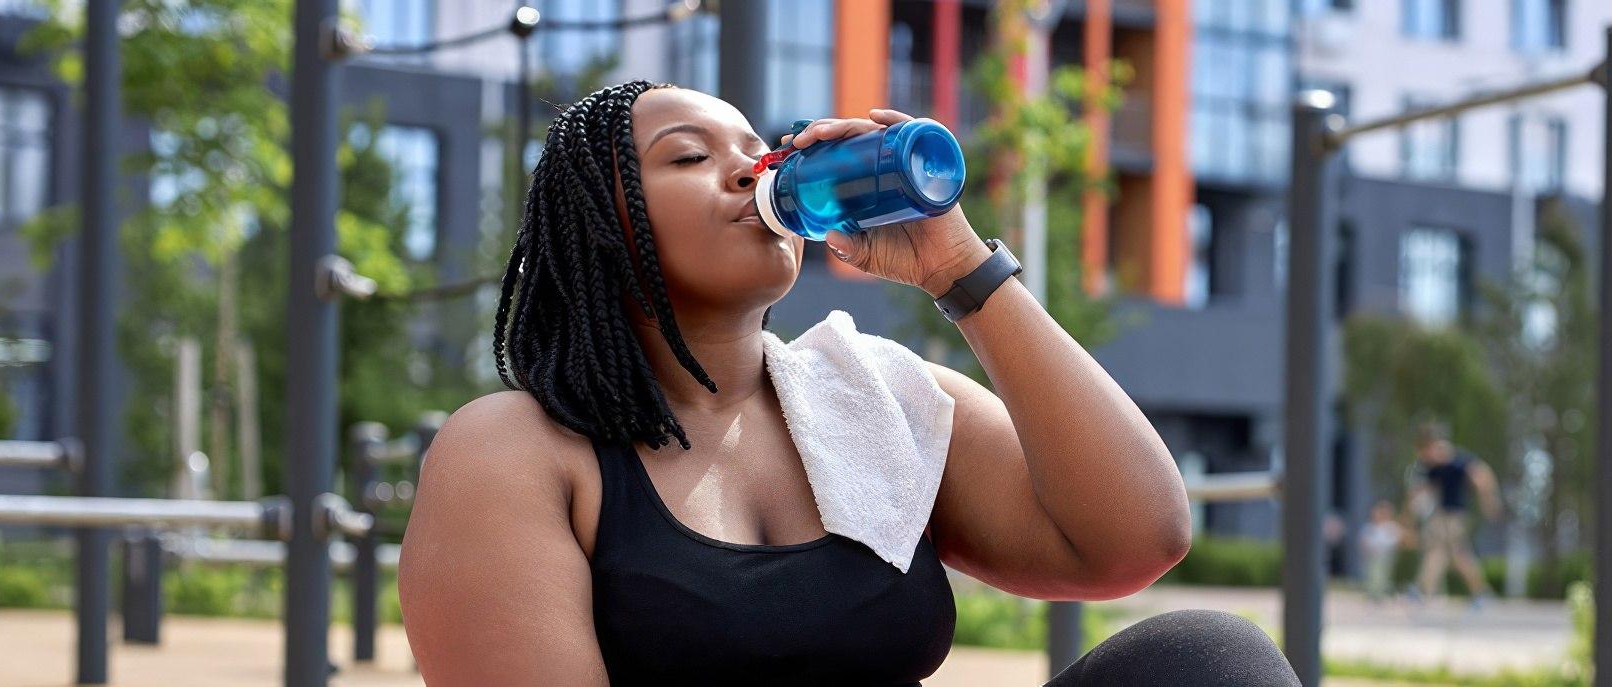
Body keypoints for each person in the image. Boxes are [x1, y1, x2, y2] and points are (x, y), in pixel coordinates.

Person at [396, 81, 1299, 686]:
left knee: (1209, 658)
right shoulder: (518, 448)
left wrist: (961, 269)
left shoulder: (874, 398)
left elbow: (1136, 538)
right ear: (602, 226)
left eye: (762, 149)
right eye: (687, 156)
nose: (756, 169)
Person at [1405, 422, 1503, 606]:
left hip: (1453, 516)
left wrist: (1488, 500)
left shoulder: (1457, 460)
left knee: (1439, 551)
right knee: (1457, 555)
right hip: (1443, 514)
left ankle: (1421, 591)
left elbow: (1481, 475)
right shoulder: (1434, 468)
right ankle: (1480, 592)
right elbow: (1423, 489)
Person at [1357, 499, 1406, 605]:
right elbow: (1363, 541)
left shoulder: (1391, 527)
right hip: (1372, 556)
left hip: (1385, 556)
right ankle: (1373, 594)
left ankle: (1379, 595)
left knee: (1381, 576)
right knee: (1373, 575)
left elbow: (1399, 540)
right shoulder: (1369, 527)